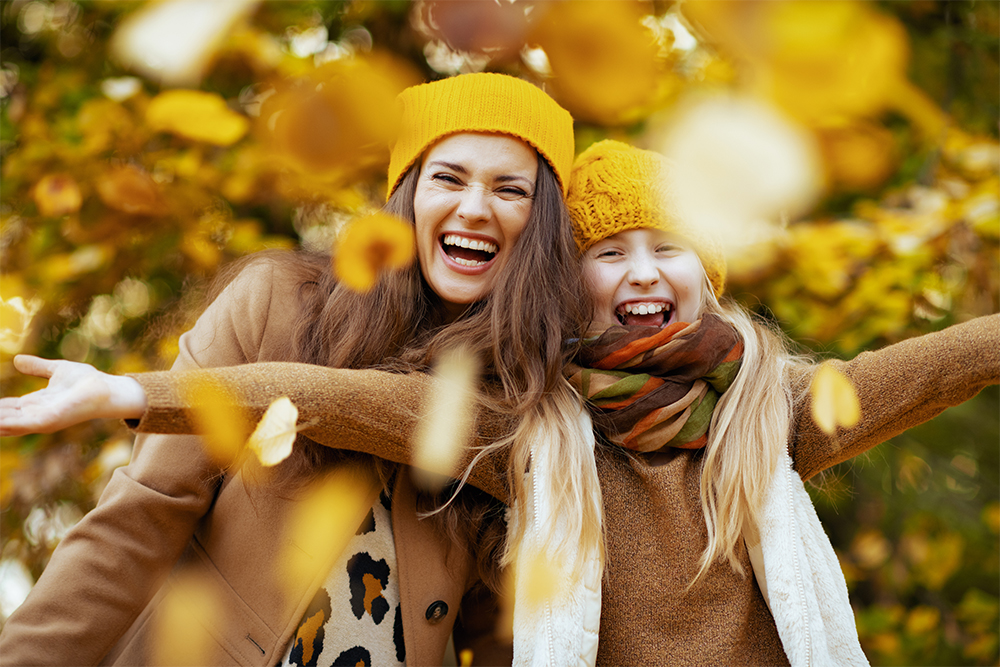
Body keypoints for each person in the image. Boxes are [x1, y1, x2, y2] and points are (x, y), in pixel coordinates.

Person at [4, 139, 996, 666]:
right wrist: (137, 391)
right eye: (611, 254)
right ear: (571, 288)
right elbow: (330, 399)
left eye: (671, 248)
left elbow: (929, 365)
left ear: (712, 275)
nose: (643, 273)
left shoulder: (763, 409)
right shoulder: (532, 427)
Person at [0, 72, 604, 667]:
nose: (473, 208)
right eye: (447, 178)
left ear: (541, 222)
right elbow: (138, 522)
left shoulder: (525, 396)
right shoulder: (278, 305)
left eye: (510, 189)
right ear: (407, 196)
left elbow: (498, 633)